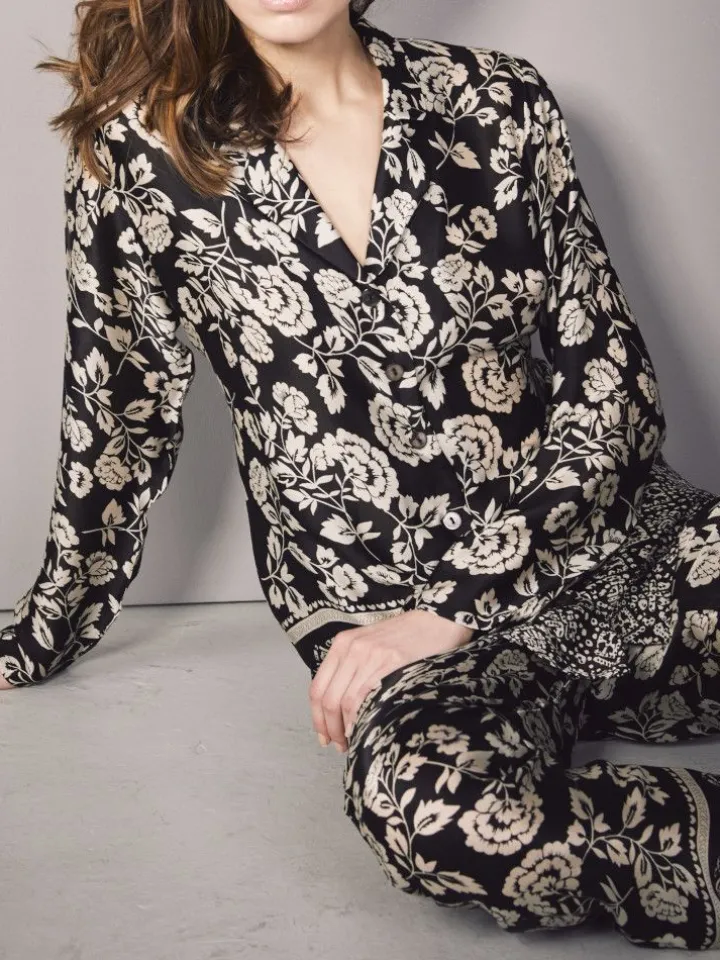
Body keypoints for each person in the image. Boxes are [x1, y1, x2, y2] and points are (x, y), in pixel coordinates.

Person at [2, 0, 720, 947]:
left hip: (608, 552)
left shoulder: (496, 100)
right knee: (441, 818)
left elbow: (614, 385)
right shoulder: (141, 151)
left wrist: (467, 595)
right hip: (392, 627)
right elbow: (115, 415)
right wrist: (42, 632)